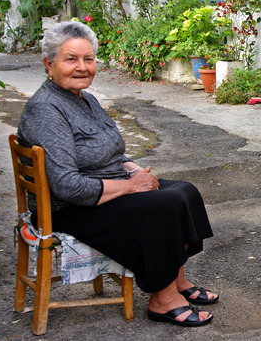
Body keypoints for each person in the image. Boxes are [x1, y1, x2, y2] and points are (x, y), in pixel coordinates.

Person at [17, 21, 217, 327]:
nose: (82, 67)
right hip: (71, 208)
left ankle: (176, 280)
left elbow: (111, 152)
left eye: (88, 59)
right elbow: (67, 186)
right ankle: (162, 300)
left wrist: (136, 172)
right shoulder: (46, 109)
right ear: (49, 64)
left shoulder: (86, 99)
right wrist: (129, 187)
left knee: (184, 191)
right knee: (163, 206)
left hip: (104, 188)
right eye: (71, 59)